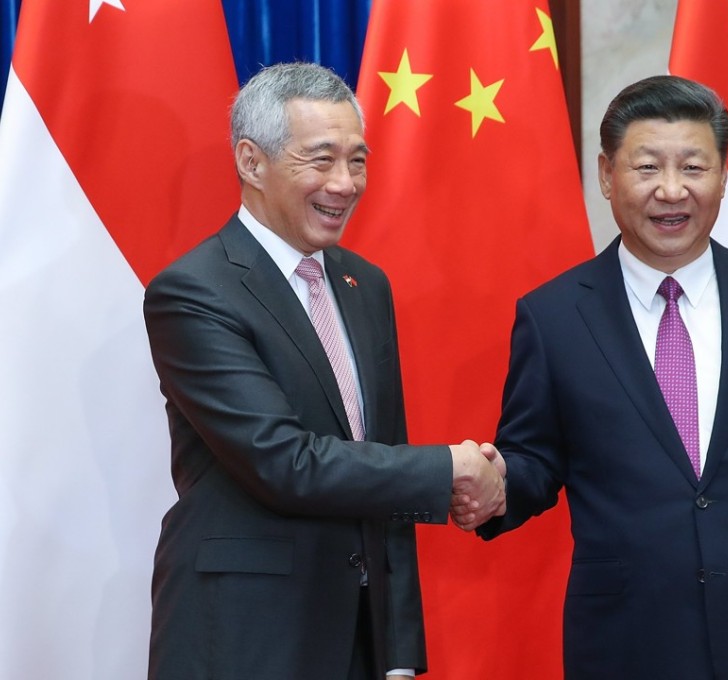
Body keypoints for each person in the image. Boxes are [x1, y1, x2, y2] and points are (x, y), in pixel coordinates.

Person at [464, 75, 728, 679]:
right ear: (607, 175)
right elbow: (534, 458)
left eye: (694, 166)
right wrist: (498, 482)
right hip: (627, 642)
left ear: (722, 177)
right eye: (647, 168)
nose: (672, 191)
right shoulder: (554, 316)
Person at [143, 62, 504, 680]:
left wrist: (399, 653)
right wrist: (451, 466)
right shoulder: (194, 292)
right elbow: (282, 460)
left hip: (359, 639)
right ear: (251, 162)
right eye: (321, 159)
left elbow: (381, 463)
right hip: (244, 636)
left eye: (357, 160)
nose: (345, 182)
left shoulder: (364, 284)